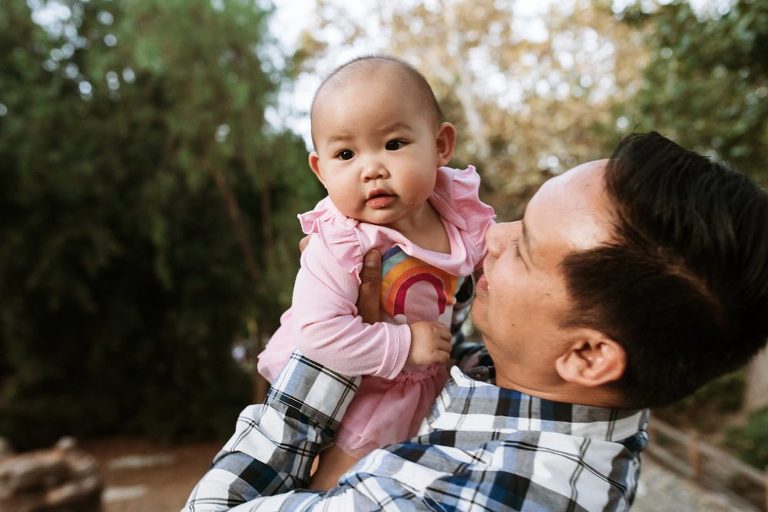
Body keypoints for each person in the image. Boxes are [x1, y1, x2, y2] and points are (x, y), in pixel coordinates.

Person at [182, 132, 768, 511]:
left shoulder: (480, 498)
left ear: (588, 355)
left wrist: (343, 344)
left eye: (526, 248)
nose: (493, 237)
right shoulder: (537, 388)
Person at [256, 55, 495, 487]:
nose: (372, 168)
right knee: (339, 487)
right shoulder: (341, 240)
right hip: (355, 386)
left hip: (425, 380)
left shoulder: (457, 211)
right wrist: (404, 345)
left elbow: (500, 258)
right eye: (346, 154)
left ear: (441, 145)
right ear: (321, 170)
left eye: (393, 144)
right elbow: (319, 334)